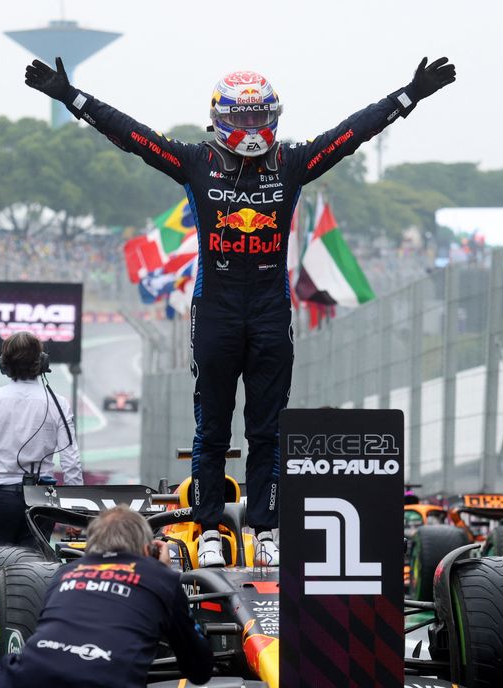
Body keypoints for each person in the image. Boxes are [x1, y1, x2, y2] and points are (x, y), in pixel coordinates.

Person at [24, 54, 457, 567]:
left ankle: (266, 530)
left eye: (260, 118)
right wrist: (71, 97)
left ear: (274, 118)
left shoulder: (293, 163)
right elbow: (130, 135)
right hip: (217, 311)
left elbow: (352, 134)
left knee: (268, 431)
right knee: (211, 430)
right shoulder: (192, 160)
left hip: (272, 311)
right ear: (219, 119)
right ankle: (209, 528)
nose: (252, 128)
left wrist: (409, 94)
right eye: (242, 118)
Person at [0, 505, 213, 688]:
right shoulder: (161, 577)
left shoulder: (65, 572)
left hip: (21, 677)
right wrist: (162, 571)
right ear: (149, 550)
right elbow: (199, 670)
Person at [0, 331, 83, 547]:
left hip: (1, 500)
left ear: (3, 364)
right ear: (42, 362)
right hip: (42, 501)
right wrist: (75, 513)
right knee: (34, 575)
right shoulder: (58, 403)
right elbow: (71, 460)